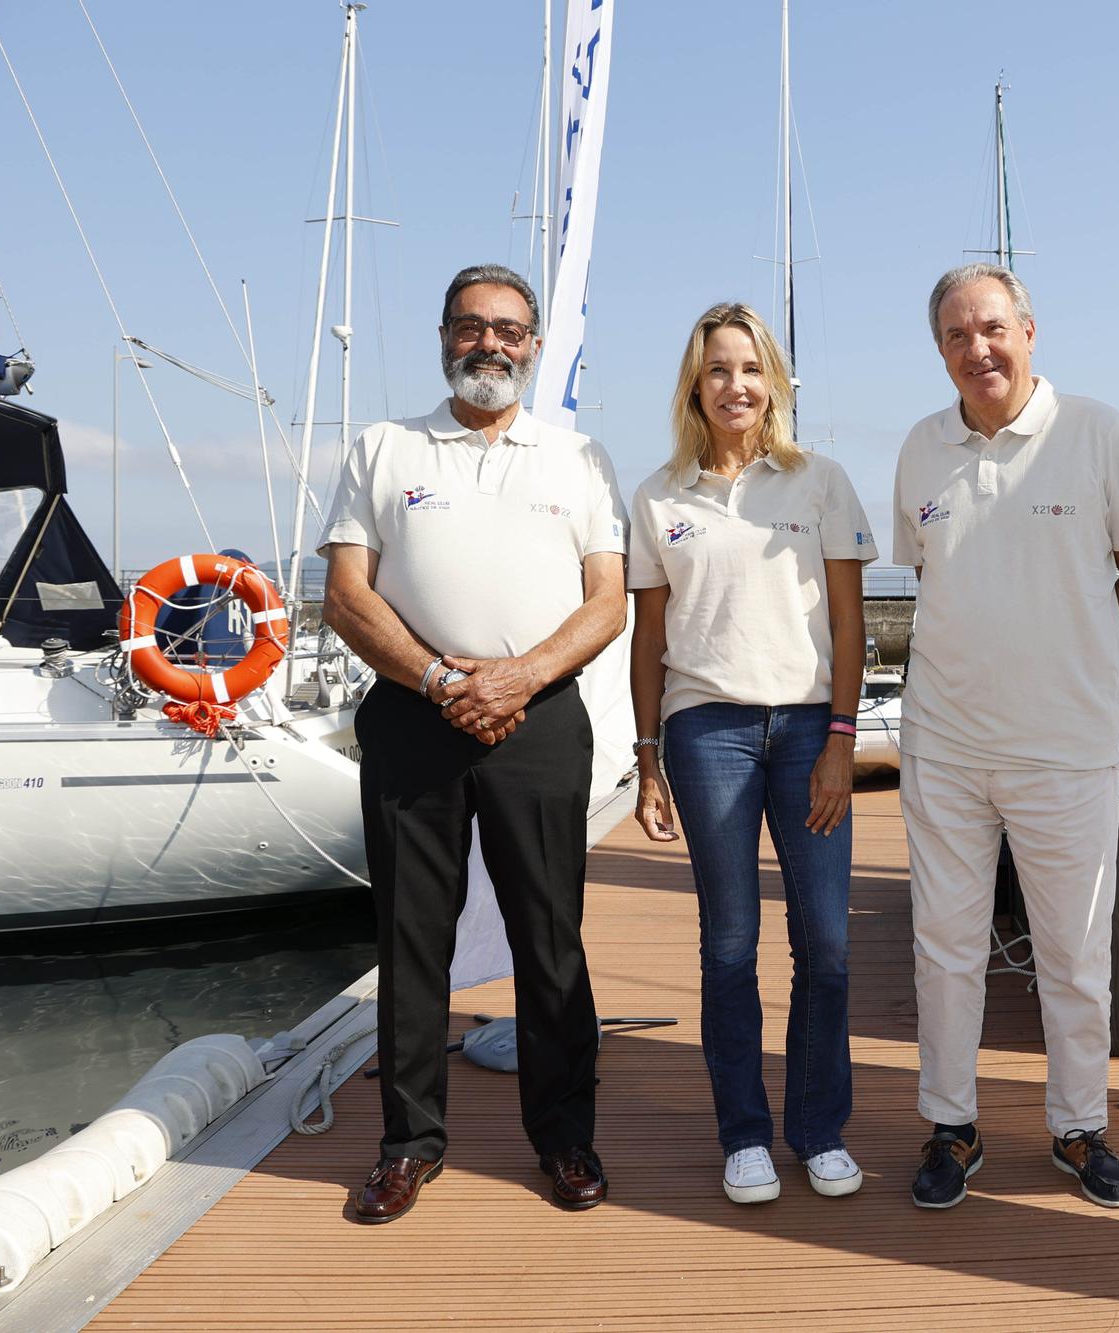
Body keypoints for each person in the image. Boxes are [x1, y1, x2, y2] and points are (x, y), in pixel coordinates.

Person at [318, 263, 629, 1223]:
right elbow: (346, 596)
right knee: (412, 937)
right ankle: (408, 1144)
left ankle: (566, 1139)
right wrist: (446, 680)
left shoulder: (578, 458)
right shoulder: (383, 447)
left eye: (508, 329)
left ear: (533, 344)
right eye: (470, 326)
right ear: (444, 335)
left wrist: (515, 678)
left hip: (539, 718)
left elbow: (608, 601)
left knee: (550, 936)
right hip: (416, 715)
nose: (488, 343)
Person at [893, 263, 1119, 1210]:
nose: (979, 350)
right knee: (945, 949)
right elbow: (932, 578)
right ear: (942, 352)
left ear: (1030, 331)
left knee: (1074, 954)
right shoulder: (920, 450)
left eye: (993, 329)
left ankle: (1079, 1128)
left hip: (1067, 748)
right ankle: (952, 1126)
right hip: (945, 746)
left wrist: (1077, 656)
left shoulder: (1096, 434)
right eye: (958, 337)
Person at [627, 302, 876, 1204]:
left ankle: (817, 1130)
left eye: (751, 368)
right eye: (719, 368)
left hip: (810, 727)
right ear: (696, 384)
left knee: (828, 944)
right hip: (707, 735)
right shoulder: (660, 494)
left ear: (774, 382)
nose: (737, 385)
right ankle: (744, 1135)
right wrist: (647, 760)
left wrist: (843, 738)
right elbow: (648, 638)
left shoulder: (820, 482)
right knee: (729, 946)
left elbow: (849, 622)